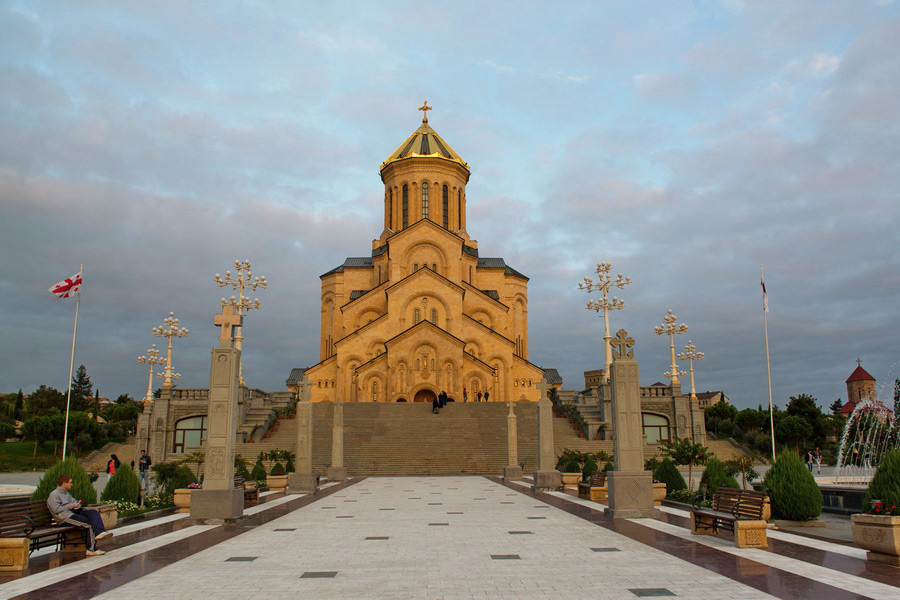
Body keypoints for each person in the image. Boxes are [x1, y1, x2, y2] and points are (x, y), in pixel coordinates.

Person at [47, 474, 112, 556]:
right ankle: (91, 549)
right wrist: (72, 506)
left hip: (72, 513)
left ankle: (100, 532)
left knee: (93, 513)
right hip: (64, 518)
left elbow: (75, 502)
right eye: (70, 482)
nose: (72, 484)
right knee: (88, 524)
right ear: (64, 483)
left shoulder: (66, 493)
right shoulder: (54, 495)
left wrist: (77, 506)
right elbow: (56, 509)